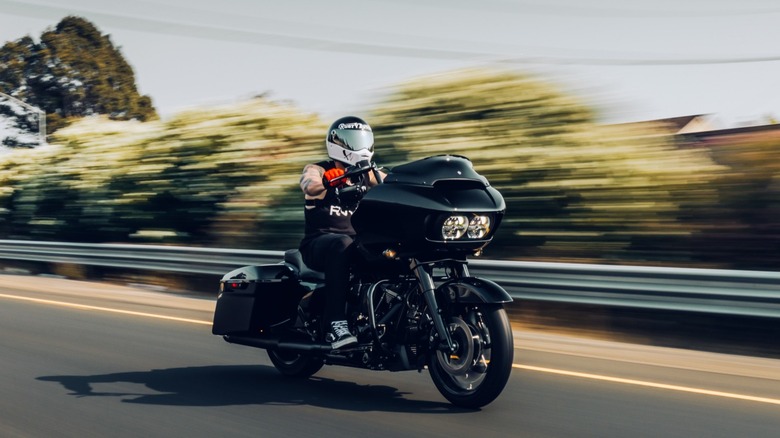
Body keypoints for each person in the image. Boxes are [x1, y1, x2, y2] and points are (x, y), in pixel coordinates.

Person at [298, 116, 384, 349]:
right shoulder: (319, 169)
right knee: (343, 243)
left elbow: (397, 183)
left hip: (357, 245)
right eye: (353, 140)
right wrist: (327, 182)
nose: (360, 145)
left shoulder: (371, 174)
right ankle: (336, 323)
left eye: (363, 139)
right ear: (338, 143)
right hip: (319, 243)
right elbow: (309, 184)